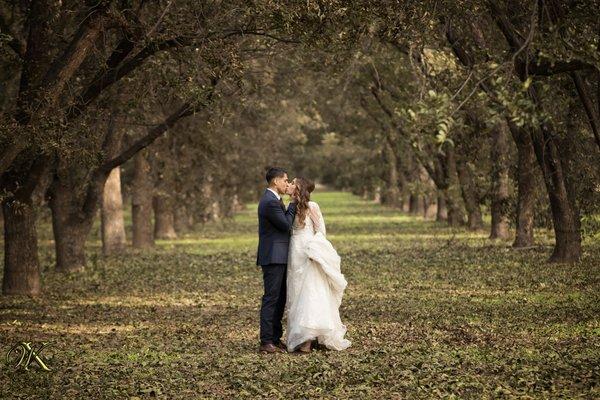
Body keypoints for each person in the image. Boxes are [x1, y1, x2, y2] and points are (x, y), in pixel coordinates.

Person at [285, 177, 351, 353]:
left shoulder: (312, 206)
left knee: (311, 291)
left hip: (308, 251)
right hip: (294, 252)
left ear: (299, 188)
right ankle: (301, 335)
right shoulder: (289, 207)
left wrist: (315, 251)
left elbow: (321, 231)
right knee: (296, 291)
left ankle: (309, 337)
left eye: (292, 183)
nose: (289, 185)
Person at [256, 167, 297, 353]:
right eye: (285, 180)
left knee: (279, 299)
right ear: (275, 181)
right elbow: (286, 224)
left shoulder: (274, 199)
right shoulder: (270, 202)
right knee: (271, 298)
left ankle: (275, 337)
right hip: (273, 256)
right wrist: (294, 203)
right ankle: (266, 341)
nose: (287, 184)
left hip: (279, 256)